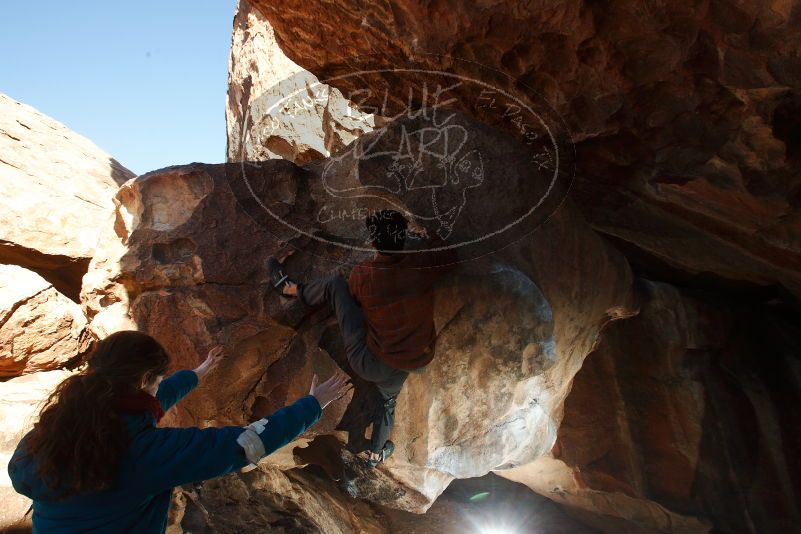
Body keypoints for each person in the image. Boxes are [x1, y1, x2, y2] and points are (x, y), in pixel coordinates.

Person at [8, 330, 350, 533]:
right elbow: (245, 443)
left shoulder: (58, 422)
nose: (158, 389)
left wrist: (197, 373)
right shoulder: (147, 455)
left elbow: (144, 404)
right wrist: (313, 404)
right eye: (156, 381)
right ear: (143, 381)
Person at [267, 209, 455, 467]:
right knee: (387, 402)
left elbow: (353, 301)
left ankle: (290, 289)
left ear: (373, 243)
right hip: (414, 359)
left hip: (371, 362)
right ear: (404, 238)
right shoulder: (423, 265)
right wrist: (420, 237)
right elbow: (450, 255)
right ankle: (376, 453)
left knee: (335, 286)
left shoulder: (365, 274)